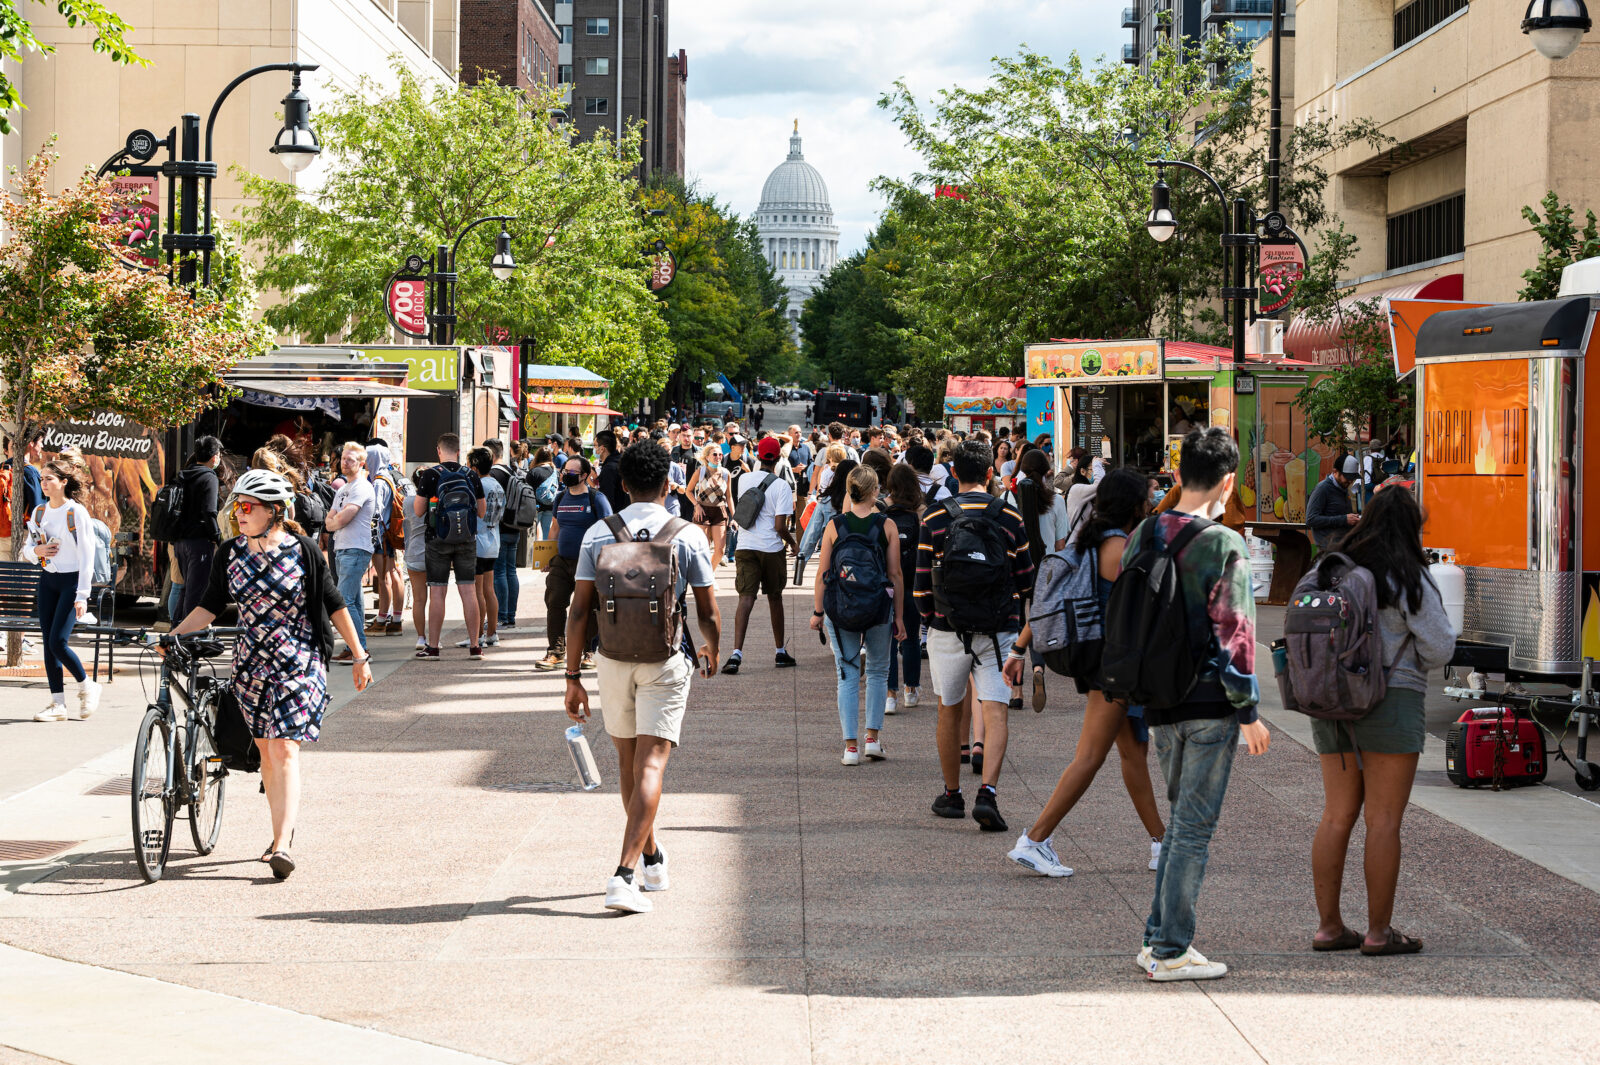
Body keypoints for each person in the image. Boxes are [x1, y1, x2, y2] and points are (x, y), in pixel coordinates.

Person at [1120, 427, 1271, 981]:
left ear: (1179, 471)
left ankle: (1158, 938)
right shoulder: (1222, 544)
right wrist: (1248, 709)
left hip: (1157, 699)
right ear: (1228, 481)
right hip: (1209, 701)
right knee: (1192, 829)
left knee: (1181, 822)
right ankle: (1170, 950)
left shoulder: (1144, 533)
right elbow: (1236, 633)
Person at [172, 469, 372, 880]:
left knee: (284, 748)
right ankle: (279, 831)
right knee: (266, 750)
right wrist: (172, 637)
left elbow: (335, 603)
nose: (238, 514)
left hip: (300, 659)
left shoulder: (304, 551)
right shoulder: (230, 553)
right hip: (249, 663)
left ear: (274, 512)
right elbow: (208, 606)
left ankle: (282, 844)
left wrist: (359, 655)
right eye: (236, 507)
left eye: (247, 507)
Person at [563, 440, 722, 914]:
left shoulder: (599, 533)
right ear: (669, 484)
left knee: (630, 766)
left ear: (624, 483)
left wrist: (572, 675)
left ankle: (652, 857)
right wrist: (712, 646)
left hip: (611, 658)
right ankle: (624, 874)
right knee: (651, 766)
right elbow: (709, 609)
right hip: (665, 658)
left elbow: (577, 612)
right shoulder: (687, 534)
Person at [1001, 469, 1168, 878]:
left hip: (1103, 663)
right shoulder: (1122, 549)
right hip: (1116, 668)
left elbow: (1051, 601)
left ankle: (1163, 844)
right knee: (1090, 757)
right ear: (1132, 505)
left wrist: (1020, 647)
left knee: (1132, 752)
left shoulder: (1089, 540)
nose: (1153, 502)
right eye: (1148, 497)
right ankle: (1035, 839)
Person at [1310, 488, 1455, 956]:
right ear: (1411, 529)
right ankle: (1378, 932)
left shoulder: (1329, 569)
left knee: (1336, 815)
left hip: (1330, 700)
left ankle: (1329, 927)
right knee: (1384, 819)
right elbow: (1439, 648)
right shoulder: (1409, 576)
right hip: (1391, 702)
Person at [916, 440, 1034, 832]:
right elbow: (1026, 582)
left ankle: (952, 795)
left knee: (950, 710)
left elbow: (920, 589)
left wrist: (936, 618)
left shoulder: (933, 517)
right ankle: (988, 793)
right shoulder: (1010, 518)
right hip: (998, 630)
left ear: (953, 474)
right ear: (989, 473)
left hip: (948, 628)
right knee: (995, 708)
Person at [812, 465, 905, 764]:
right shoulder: (886, 525)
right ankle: (872, 740)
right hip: (878, 607)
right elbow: (896, 575)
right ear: (876, 491)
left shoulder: (835, 526)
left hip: (841, 607)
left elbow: (823, 574)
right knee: (878, 671)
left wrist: (817, 611)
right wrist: (899, 616)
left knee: (847, 674)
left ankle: (850, 747)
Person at [22, 460, 102, 721]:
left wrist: (82, 595)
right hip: (48, 580)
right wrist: (37, 551)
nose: (43, 483)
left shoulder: (76, 512)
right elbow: (27, 549)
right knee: (47, 643)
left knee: (58, 641)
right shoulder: (39, 512)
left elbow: (86, 555)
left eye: (49, 479)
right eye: (42, 479)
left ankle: (86, 684)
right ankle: (58, 704)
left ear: (64, 482)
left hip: (71, 581)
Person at [721, 436, 797, 674]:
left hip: (745, 546)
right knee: (775, 597)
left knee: (745, 598)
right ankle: (779, 652)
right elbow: (779, 526)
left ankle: (735, 654)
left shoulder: (744, 479)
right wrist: (793, 543)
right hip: (771, 549)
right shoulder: (782, 485)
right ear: (777, 458)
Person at [411, 434, 487, 660]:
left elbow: (417, 511)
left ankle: (433, 647)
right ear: (458, 451)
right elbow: (481, 512)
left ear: (438, 450)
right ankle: (475, 646)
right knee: (468, 590)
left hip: (437, 540)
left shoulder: (430, 475)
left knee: (438, 592)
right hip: (466, 539)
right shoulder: (470, 474)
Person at [535, 455, 612, 672]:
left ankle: (590, 651)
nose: (565, 476)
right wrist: (547, 557)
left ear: (585, 476)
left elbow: (608, 530)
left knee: (589, 606)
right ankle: (556, 652)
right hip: (562, 561)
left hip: (589, 563)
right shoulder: (560, 498)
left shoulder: (597, 499)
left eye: (571, 473)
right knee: (554, 602)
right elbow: (555, 528)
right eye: (564, 471)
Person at [321, 442, 375, 663]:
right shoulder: (343, 488)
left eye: (350, 459)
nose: (344, 462)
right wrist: (334, 523)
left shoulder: (361, 487)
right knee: (354, 601)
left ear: (361, 463)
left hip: (355, 548)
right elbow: (329, 519)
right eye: (343, 458)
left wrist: (334, 523)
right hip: (343, 548)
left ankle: (358, 649)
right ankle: (357, 646)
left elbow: (342, 518)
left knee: (343, 601)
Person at [884, 464, 925, 714]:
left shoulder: (881, 509)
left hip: (887, 586)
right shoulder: (921, 512)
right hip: (913, 584)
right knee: (911, 637)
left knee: (887, 639)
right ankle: (911, 689)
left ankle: (890, 694)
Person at [172, 435, 224, 623]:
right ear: (214, 457)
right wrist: (217, 537)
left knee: (186, 589)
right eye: (218, 455)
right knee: (196, 593)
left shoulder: (184, 473)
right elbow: (210, 511)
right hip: (199, 542)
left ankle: (175, 634)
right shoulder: (209, 477)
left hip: (180, 541)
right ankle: (187, 639)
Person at [464, 447, 506, 648]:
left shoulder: (477, 484)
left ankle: (478, 634)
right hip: (493, 539)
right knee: (489, 590)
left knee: (477, 590)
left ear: (474, 466)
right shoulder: (497, 484)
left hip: (478, 541)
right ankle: (492, 633)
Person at [362, 444, 405, 638]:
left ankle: (381, 620)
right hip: (390, 533)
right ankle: (395, 620)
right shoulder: (389, 476)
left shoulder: (378, 481)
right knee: (393, 575)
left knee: (383, 578)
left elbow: (375, 511)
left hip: (380, 535)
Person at [795, 443, 848, 581]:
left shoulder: (826, 470)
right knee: (832, 539)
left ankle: (799, 568)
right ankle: (832, 571)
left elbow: (821, 488)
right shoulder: (844, 471)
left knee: (811, 536)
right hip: (837, 505)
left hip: (823, 502)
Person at [686, 443, 731, 570]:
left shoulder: (726, 474)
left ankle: (710, 574)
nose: (718, 457)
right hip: (703, 510)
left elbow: (729, 497)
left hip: (720, 511)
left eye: (720, 454)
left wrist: (735, 516)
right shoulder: (701, 471)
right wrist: (696, 505)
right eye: (715, 454)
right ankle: (704, 576)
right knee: (703, 548)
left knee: (720, 550)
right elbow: (688, 491)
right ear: (707, 457)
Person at [1306, 455, 1360, 552]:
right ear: (1335, 472)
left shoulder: (1342, 488)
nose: (1350, 481)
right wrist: (1344, 519)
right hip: (1327, 549)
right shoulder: (1322, 489)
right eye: (1347, 477)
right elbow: (1311, 519)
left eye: (1353, 478)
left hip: (1342, 546)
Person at [595, 429, 629, 514]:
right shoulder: (622, 461)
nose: (594, 449)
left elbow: (607, 501)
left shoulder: (609, 468)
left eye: (595, 446)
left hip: (616, 518)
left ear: (602, 449)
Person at [527, 447, 558, 540]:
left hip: (536, 507)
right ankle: (546, 553)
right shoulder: (554, 471)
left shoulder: (533, 472)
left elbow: (528, 491)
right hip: (550, 506)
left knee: (533, 534)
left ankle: (534, 554)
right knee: (547, 533)